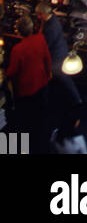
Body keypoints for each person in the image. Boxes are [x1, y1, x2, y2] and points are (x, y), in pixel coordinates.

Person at [6, 13, 52, 153]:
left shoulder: (18, 49)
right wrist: (48, 74)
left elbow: (13, 71)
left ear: (19, 31)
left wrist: (6, 75)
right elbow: (47, 58)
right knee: (41, 115)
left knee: (27, 121)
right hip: (42, 82)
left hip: (26, 90)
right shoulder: (40, 38)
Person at [36, 0, 81, 116]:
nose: (38, 17)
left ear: (45, 13)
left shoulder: (50, 28)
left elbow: (45, 45)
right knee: (63, 80)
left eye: (39, 14)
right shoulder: (52, 19)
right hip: (60, 52)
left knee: (64, 79)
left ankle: (76, 100)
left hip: (56, 58)